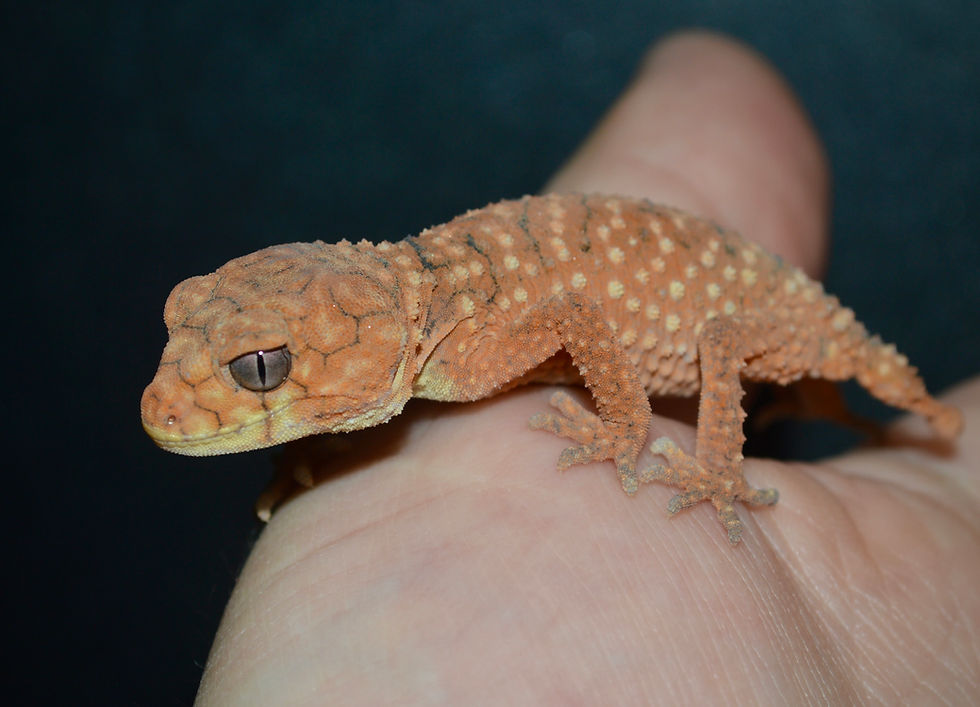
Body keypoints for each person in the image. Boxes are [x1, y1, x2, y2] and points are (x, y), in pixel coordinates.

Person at [194, 32, 979, 704]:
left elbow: (572, 316)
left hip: (753, 309)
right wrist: (311, 441)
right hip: (709, 274)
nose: (173, 405)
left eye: (261, 369)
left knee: (742, 350)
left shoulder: (464, 356)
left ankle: (728, 467)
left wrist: (628, 424)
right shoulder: (415, 338)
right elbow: (355, 394)